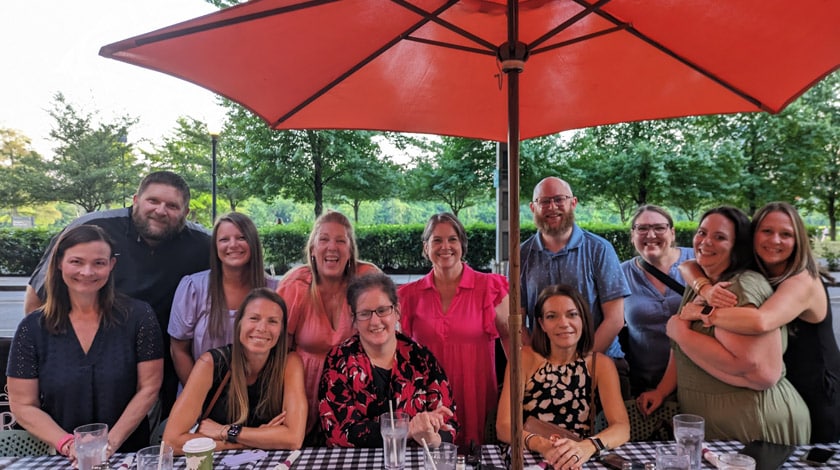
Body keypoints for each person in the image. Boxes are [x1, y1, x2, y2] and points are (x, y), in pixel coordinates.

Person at [24, 171, 211, 417]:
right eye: (153, 201)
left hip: (161, 369)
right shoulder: (93, 228)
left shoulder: (202, 243)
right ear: (135, 200)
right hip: (88, 362)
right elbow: (38, 294)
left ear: (185, 213)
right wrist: (50, 354)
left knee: (146, 443)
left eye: (172, 206)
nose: (161, 211)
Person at [639, 206, 810, 445]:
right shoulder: (701, 284)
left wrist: (680, 331)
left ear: (737, 246)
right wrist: (662, 390)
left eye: (719, 237)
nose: (705, 242)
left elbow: (755, 369)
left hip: (752, 427)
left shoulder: (739, 287)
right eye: (702, 232)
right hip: (717, 426)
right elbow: (681, 352)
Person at [679, 202, 840, 443]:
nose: (774, 240)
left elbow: (761, 321)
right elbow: (687, 265)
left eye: (785, 234)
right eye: (766, 231)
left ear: (798, 240)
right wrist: (705, 287)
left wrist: (701, 312)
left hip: (818, 389)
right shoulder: (762, 271)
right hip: (786, 384)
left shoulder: (801, 280)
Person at [7, 225, 163, 462]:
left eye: (99, 263)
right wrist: (69, 445)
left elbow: (149, 387)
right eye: (77, 262)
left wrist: (108, 445)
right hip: (60, 457)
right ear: (59, 262)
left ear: (111, 265)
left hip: (127, 455)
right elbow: (23, 404)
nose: (87, 272)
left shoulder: (139, 317)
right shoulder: (32, 328)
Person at [398, 213, 510, 447]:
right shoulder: (407, 296)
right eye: (437, 240)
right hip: (428, 399)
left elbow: (513, 344)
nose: (445, 246)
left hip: (476, 395)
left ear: (462, 245)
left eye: (452, 239)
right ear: (426, 247)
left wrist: (516, 393)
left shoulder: (490, 288)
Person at [496, 284, 629, 470]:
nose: (564, 323)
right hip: (526, 453)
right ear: (541, 324)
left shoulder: (600, 365)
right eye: (552, 316)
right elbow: (503, 426)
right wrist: (543, 446)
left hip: (576, 456)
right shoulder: (523, 358)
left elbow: (622, 427)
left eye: (572, 314)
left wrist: (587, 447)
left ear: (583, 318)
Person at [319, 273, 459, 448]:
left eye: (382, 310)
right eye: (364, 313)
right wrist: (406, 430)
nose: (375, 321)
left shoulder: (421, 358)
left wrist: (432, 438)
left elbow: (449, 423)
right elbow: (338, 432)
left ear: (397, 311)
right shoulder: (338, 360)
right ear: (353, 318)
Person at [520, 177, 631, 396]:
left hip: (600, 362)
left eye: (559, 199)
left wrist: (576, 364)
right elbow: (516, 319)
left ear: (573, 202)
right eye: (544, 201)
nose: (552, 207)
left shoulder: (599, 250)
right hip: (542, 368)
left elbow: (615, 319)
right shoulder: (521, 255)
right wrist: (541, 362)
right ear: (533, 207)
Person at [276, 210, 380, 441]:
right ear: (312, 249)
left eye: (341, 240)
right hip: (303, 392)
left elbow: (387, 334)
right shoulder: (296, 285)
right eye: (323, 239)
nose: (331, 247)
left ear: (350, 250)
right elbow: (277, 349)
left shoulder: (366, 280)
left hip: (356, 395)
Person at [163, 288, 306, 454]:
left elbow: (293, 439)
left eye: (272, 321)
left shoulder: (290, 363)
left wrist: (225, 431)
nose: (262, 328)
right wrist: (258, 439)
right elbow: (172, 441)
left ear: (282, 330)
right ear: (239, 324)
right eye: (254, 318)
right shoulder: (210, 363)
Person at [169, 212, 278, 386]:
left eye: (241, 237)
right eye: (224, 239)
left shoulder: (276, 291)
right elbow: (179, 349)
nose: (233, 245)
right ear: (215, 246)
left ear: (253, 243)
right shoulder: (193, 288)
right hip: (201, 397)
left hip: (257, 396)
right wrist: (197, 400)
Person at [620, 205, 693, 396]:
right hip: (645, 385)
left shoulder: (696, 260)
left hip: (698, 380)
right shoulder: (621, 275)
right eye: (642, 228)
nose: (650, 235)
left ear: (672, 232)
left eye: (659, 228)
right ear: (632, 235)